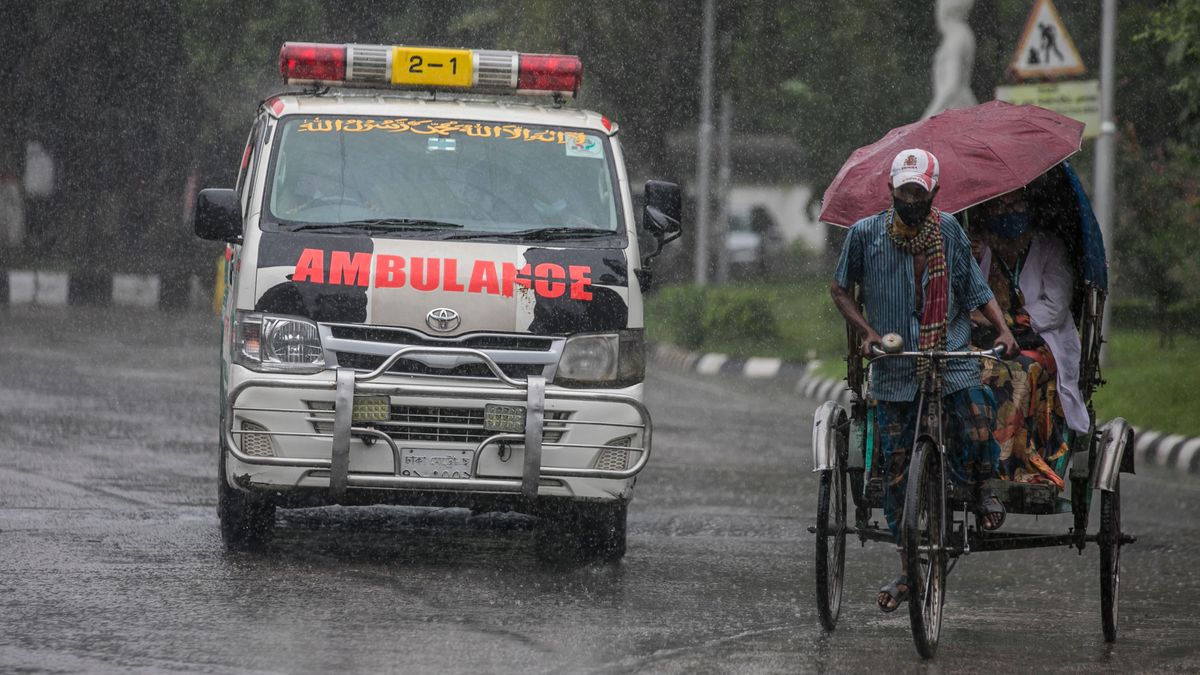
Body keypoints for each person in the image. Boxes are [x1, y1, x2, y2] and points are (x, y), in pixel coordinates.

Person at [829, 148, 1019, 613]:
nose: (911, 198)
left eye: (919, 191)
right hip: (895, 366)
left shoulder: (950, 231)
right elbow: (839, 288)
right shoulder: (865, 235)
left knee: (977, 418)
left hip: (947, 355)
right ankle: (908, 561)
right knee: (894, 474)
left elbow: (974, 288)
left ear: (933, 192)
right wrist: (867, 333)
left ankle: (979, 488)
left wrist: (1003, 327)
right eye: (904, 190)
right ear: (891, 190)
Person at [968, 187, 1089, 488]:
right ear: (987, 211)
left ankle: (1008, 462)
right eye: (1001, 206)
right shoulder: (976, 248)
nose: (1009, 212)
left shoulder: (1049, 248)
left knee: (1021, 373)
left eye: (1016, 204)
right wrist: (968, 258)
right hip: (984, 342)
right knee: (964, 373)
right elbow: (964, 301)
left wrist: (1009, 323)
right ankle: (968, 455)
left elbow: (1056, 306)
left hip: (1038, 341)